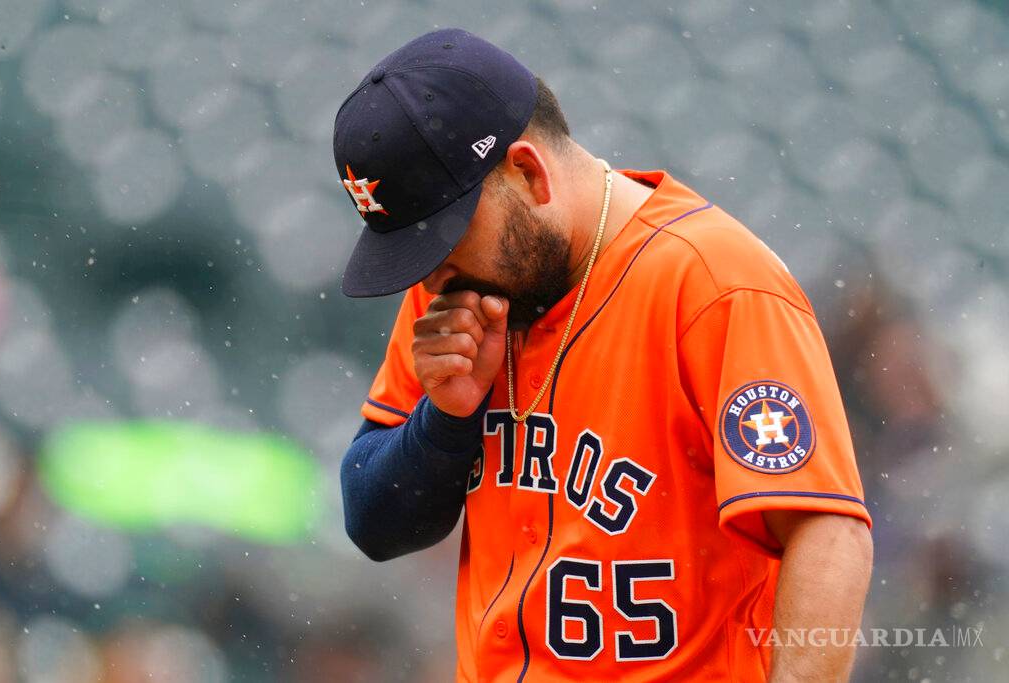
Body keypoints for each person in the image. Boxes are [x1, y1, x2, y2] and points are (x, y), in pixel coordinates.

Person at [335, 28, 873, 682]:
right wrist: (445, 419)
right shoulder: (456, 290)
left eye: (444, 241)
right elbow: (376, 522)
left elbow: (826, 532)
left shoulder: (714, 283)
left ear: (529, 173)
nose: (432, 278)